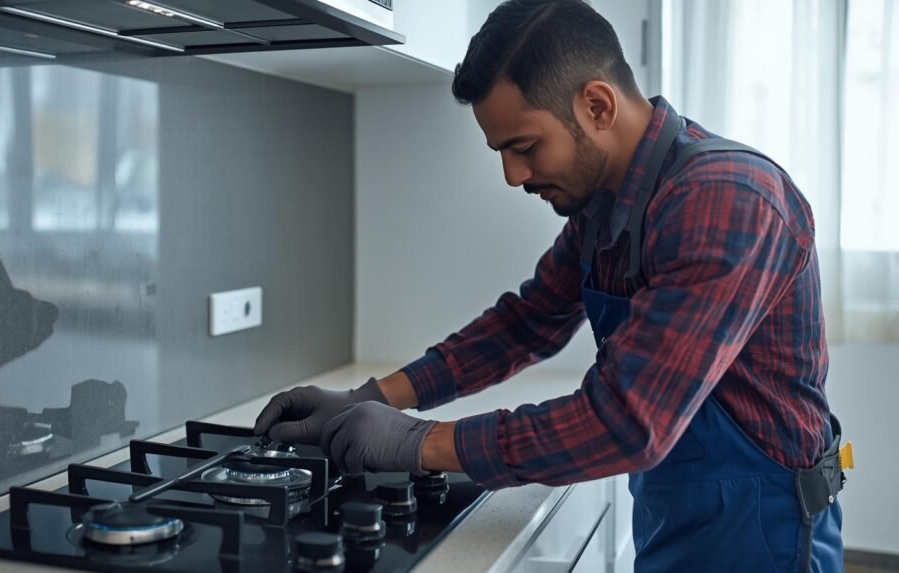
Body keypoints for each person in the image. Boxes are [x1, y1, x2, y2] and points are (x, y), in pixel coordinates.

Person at [254, 1, 847, 571]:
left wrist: (418, 442)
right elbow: (525, 324)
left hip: (762, 530)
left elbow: (627, 422)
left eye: (525, 146)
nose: (513, 176)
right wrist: (373, 399)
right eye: (502, 152)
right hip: (678, 512)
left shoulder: (726, 198)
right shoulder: (604, 205)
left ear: (596, 105)